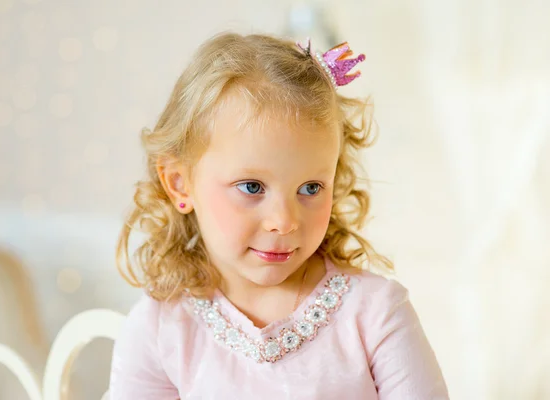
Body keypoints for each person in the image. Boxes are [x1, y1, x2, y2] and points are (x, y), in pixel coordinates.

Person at [109, 31, 449, 399]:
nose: (284, 221)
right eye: (252, 187)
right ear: (180, 183)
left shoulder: (375, 314)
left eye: (311, 188)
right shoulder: (162, 329)